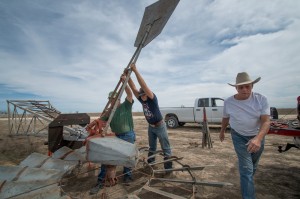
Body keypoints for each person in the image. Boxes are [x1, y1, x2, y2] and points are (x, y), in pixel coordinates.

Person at [219, 72, 270, 199]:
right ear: (236, 88)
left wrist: (258, 138)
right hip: (238, 136)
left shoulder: (261, 99)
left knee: (253, 166)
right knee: (246, 168)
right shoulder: (229, 102)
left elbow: (266, 121)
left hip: (257, 136)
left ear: (252, 86)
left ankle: (247, 183)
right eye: (241, 87)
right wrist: (222, 131)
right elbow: (226, 118)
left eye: (247, 86)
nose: (244, 89)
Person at [90, 76, 135, 195]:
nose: (112, 101)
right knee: (107, 157)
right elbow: (100, 120)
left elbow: (130, 94)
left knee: (127, 157)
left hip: (128, 134)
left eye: (114, 98)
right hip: (116, 136)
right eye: (110, 99)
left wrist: (125, 81)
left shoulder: (126, 105)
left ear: (118, 99)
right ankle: (100, 181)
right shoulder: (110, 111)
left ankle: (127, 177)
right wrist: (95, 123)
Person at [127, 63, 173, 171]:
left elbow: (144, 86)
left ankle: (168, 169)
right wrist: (127, 77)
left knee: (165, 148)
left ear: (147, 94)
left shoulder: (152, 98)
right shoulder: (141, 99)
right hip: (151, 127)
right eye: (141, 95)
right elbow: (134, 88)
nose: (142, 97)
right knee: (152, 147)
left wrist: (135, 70)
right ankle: (151, 166)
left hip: (160, 126)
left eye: (144, 94)